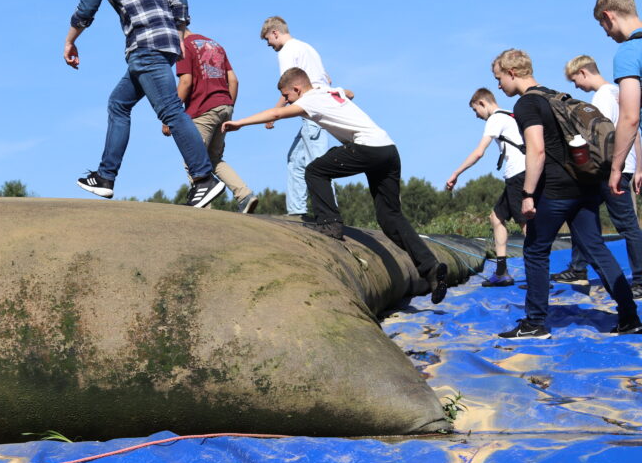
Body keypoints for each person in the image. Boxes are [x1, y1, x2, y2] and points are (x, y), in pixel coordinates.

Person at [222, 67, 449, 304]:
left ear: (297, 89)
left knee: (315, 170)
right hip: (388, 149)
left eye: (287, 97)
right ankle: (431, 268)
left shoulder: (310, 99)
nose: (286, 102)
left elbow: (276, 114)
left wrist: (240, 123)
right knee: (390, 217)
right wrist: (334, 90)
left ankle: (330, 224)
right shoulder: (327, 91)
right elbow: (349, 93)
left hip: (367, 148)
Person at [64, 0, 224, 208]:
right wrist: (172, 36)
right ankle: (105, 177)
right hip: (165, 45)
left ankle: (204, 179)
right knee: (119, 103)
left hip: (144, 47)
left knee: (171, 111)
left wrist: (70, 40)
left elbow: (89, 4)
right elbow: (182, 4)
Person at [490, 49, 640, 338]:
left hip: (556, 191)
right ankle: (630, 317)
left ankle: (535, 323)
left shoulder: (526, 104)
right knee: (596, 248)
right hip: (585, 186)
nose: (499, 85)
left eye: (498, 78)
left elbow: (537, 149)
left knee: (534, 250)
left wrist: (528, 193)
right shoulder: (554, 96)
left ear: (511, 73)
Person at [553, 55, 642, 298]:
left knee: (627, 226)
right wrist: (639, 168)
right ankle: (578, 268)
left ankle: (640, 280)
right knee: (582, 213)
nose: (576, 86)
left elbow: (595, 136)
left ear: (583, 72)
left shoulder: (602, 97)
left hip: (609, 169)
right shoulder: (620, 91)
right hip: (623, 166)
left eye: (575, 80)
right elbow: (635, 129)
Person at [162, 31, 258, 213]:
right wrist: (228, 108)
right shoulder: (215, 45)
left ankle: (203, 208)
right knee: (213, 159)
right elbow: (234, 81)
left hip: (202, 109)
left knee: (194, 159)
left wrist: (169, 114)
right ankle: (245, 195)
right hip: (224, 106)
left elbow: (185, 82)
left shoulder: (184, 46)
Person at [445, 88, 527, 287]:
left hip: (519, 174)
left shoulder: (496, 118)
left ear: (482, 103)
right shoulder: (511, 115)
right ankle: (501, 272)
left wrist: (457, 173)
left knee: (526, 223)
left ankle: (537, 273)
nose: (477, 116)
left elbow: (479, 152)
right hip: (519, 173)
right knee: (496, 217)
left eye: (475, 110)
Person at [259, 16, 332, 216]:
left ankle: (329, 213)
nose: (268, 44)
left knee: (318, 161)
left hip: (313, 109)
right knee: (295, 159)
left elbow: (288, 87)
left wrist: (274, 114)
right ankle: (297, 211)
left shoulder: (287, 51)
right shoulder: (308, 48)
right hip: (319, 106)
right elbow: (327, 78)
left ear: (275, 32)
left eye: (268, 39)